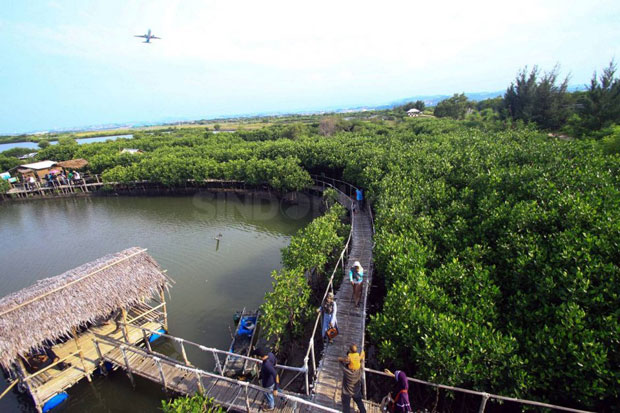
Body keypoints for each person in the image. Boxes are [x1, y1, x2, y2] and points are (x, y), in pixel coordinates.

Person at [338, 348, 367, 413]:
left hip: (346, 392)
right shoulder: (360, 368)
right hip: (356, 391)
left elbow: (339, 360)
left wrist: (344, 359)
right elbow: (362, 356)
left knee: (346, 407)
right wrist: (358, 358)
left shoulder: (346, 370)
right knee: (359, 402)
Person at [255, 347, 279, 411]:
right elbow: (275, 362)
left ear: (260, 357)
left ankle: (271, 407)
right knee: (277, 389)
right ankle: (284, 399)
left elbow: (276, 375)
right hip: (272, 380)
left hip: (267, 383)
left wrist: (275, 389)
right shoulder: (270, 354)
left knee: (268, 395)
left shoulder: (266, 365)